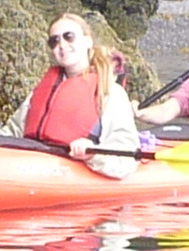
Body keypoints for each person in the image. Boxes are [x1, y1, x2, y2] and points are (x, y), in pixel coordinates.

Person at [20, 13, 141, 153]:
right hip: (36, 161)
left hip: (78, 166)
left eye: (69, 37)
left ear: (87, 41)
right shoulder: (42, 89)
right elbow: (12, 130)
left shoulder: (111, 92)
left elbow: (125, 153)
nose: (62, 45)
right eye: (54, 41)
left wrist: (93, 152)